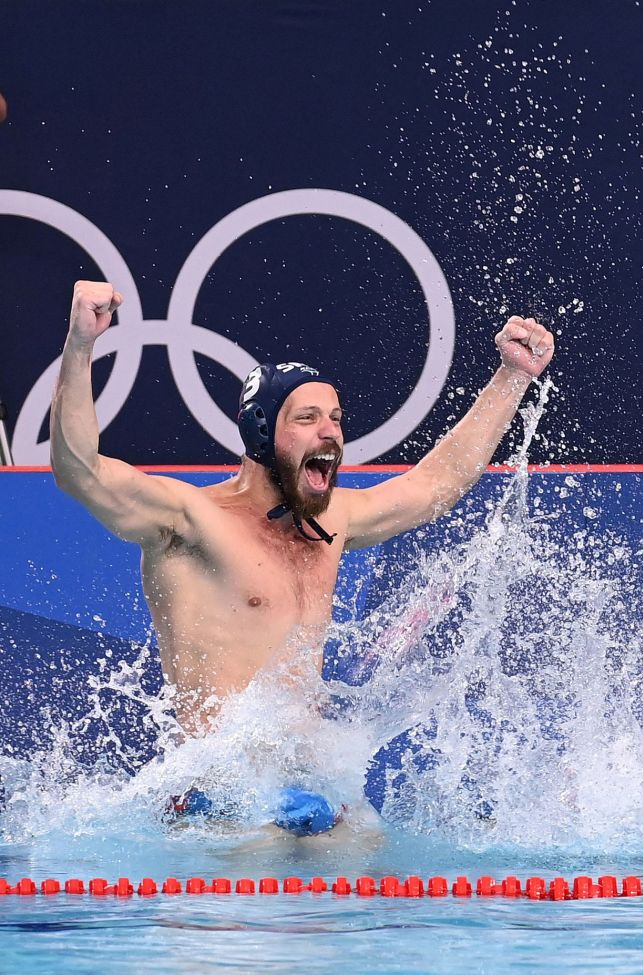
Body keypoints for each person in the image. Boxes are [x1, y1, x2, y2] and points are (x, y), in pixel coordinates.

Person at [50, 280, 554, 834]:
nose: (331, 433)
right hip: (224, 800)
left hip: (315, 789)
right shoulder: (189, 520)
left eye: (336, 418)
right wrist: (80, 345)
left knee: (366, 864)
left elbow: (438, 482)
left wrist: (513, 378)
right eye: (308, 418)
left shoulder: (332, 522)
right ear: (263, 432)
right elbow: (81, 471)